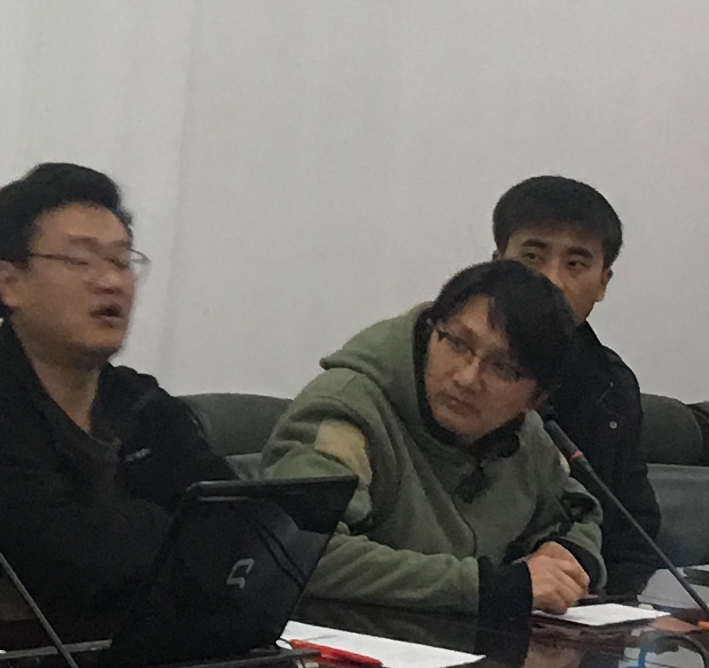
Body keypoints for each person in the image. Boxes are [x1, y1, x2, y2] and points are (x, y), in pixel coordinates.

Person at [0, 164, 222, 637]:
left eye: (121, 261)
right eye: (81, 260)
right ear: (9, 282)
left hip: (128, 662)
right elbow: (72, 565)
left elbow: (239, 529)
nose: (111, 282)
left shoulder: (139, 401)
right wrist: (173, 523)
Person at [258, 258, 602, 621]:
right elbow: (302, 552)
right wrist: (489, 587)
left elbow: (576, 514)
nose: (467, 378)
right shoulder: (347, 410)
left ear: (535, 399)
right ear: (430, 330)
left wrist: (567, 556)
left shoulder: (525, 436)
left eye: (502, 367)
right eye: (457, 343)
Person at [491, 174, 661, 560]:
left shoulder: (612, 385)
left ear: (603, 283)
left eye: (575, 264)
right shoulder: (452, 369)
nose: (552, 280)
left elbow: (634, 531)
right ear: (497, 265)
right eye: (532, 257)